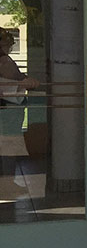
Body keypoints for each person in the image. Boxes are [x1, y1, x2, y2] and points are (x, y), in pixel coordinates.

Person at [0, 29, 38, 186]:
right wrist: (27, 81)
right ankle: (8, 182)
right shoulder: (5, 62)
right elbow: (17, 78)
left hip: (9, 110)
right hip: (8, 110)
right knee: (9, 145)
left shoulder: (5, 61)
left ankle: (8, 181)